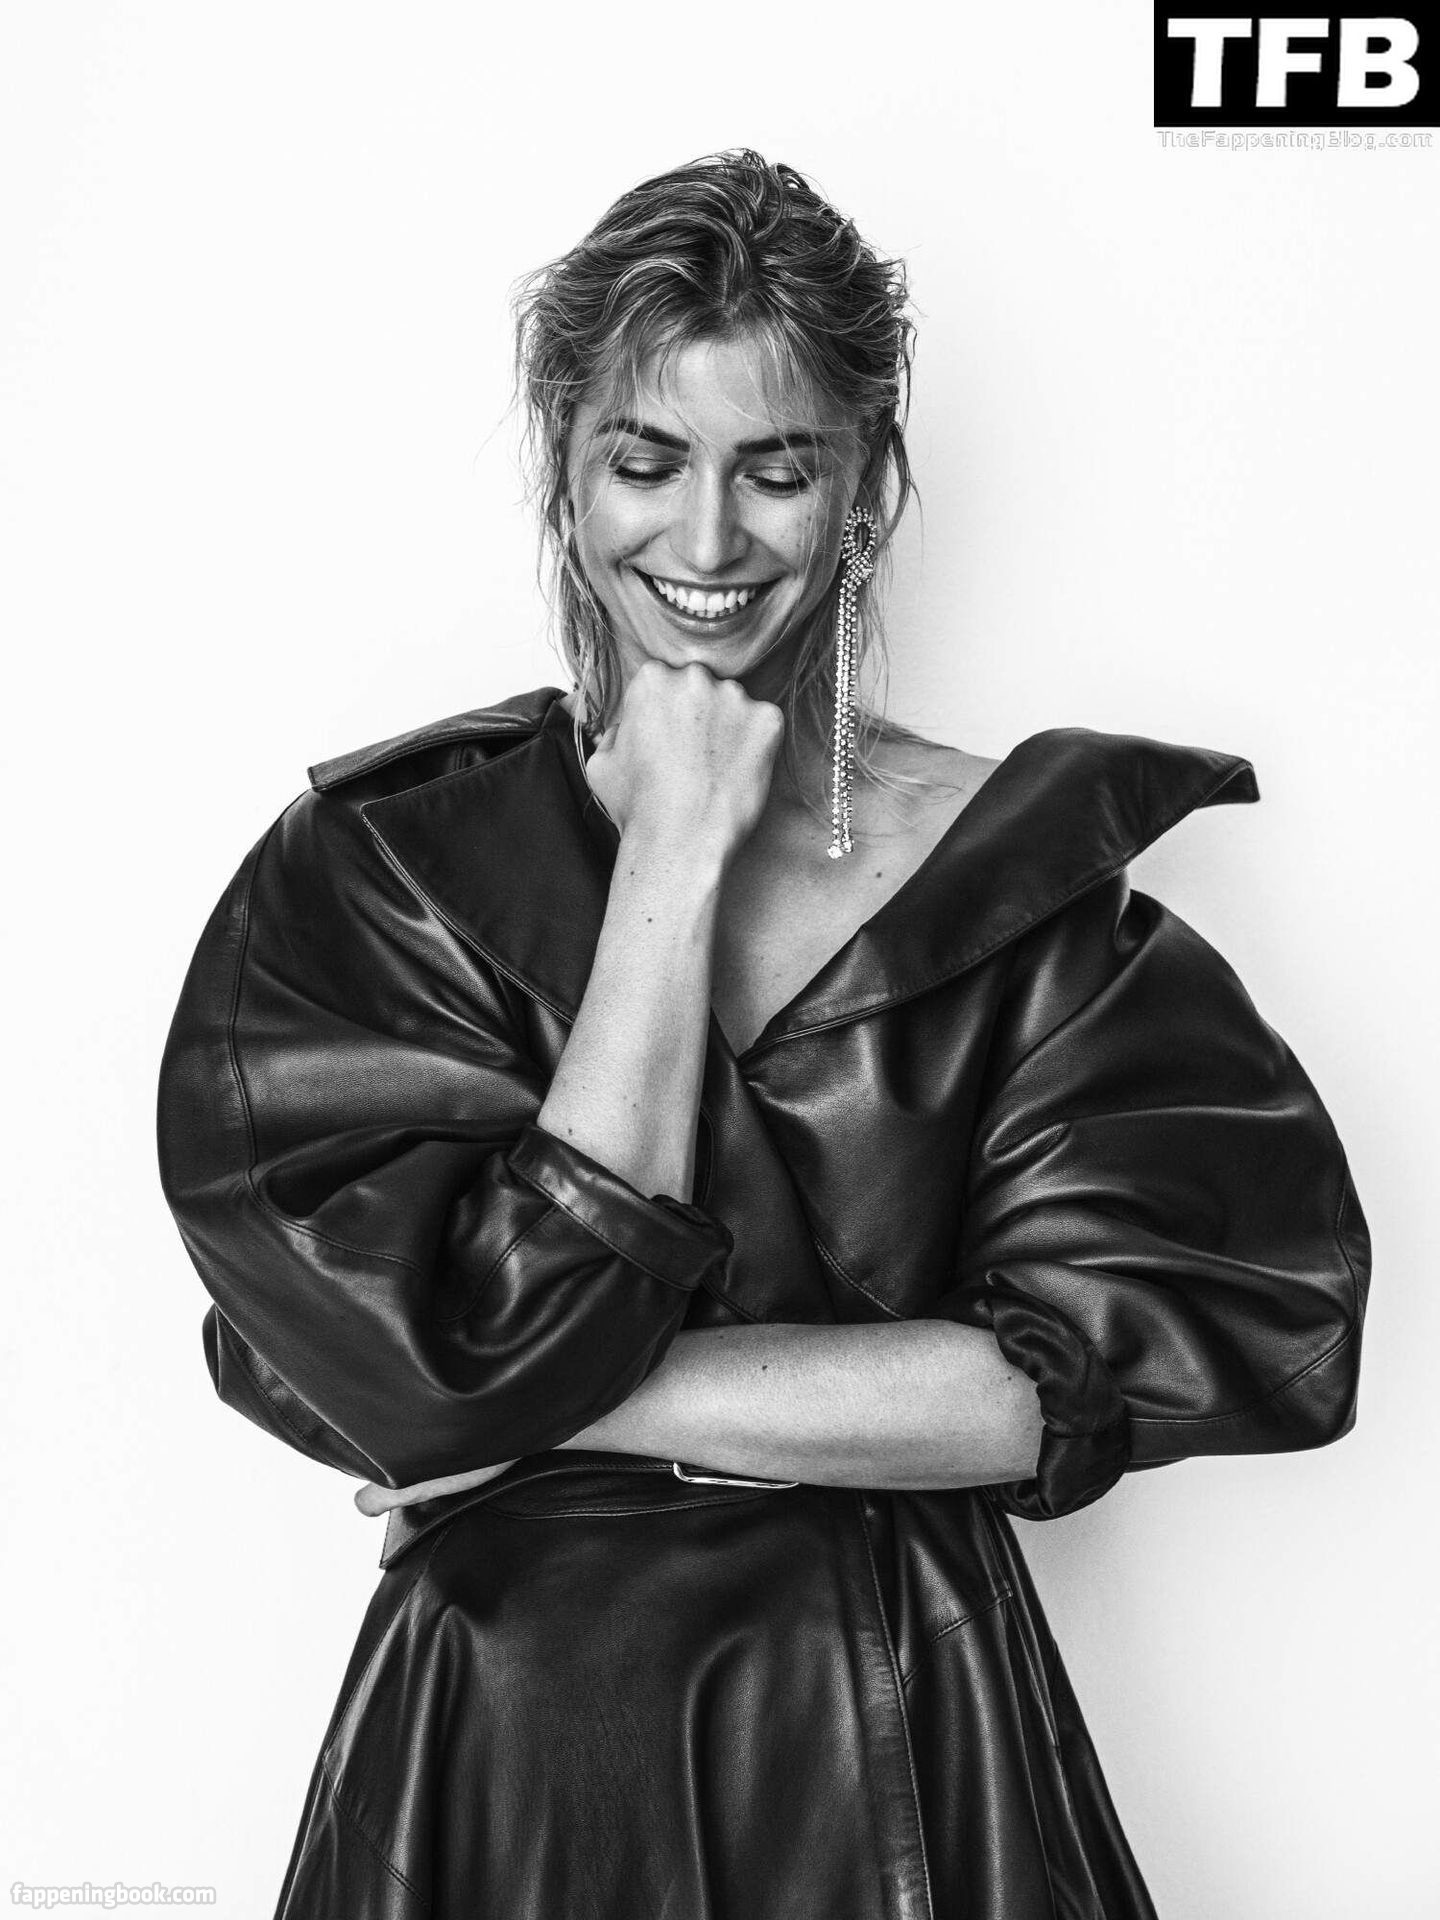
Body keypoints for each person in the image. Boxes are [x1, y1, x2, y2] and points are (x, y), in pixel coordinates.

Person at [157, 150, 1370, 1920]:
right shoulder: (384, 875)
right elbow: (365, 1346)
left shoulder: (1018, 880)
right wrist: (671, 851)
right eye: (647, 462)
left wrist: (541, 1417)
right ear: (565, 468)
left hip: (903, 1734)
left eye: (778, 469)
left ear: (866, 485)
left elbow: (1084, 1376)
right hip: (502, 1749)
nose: (709, 541)